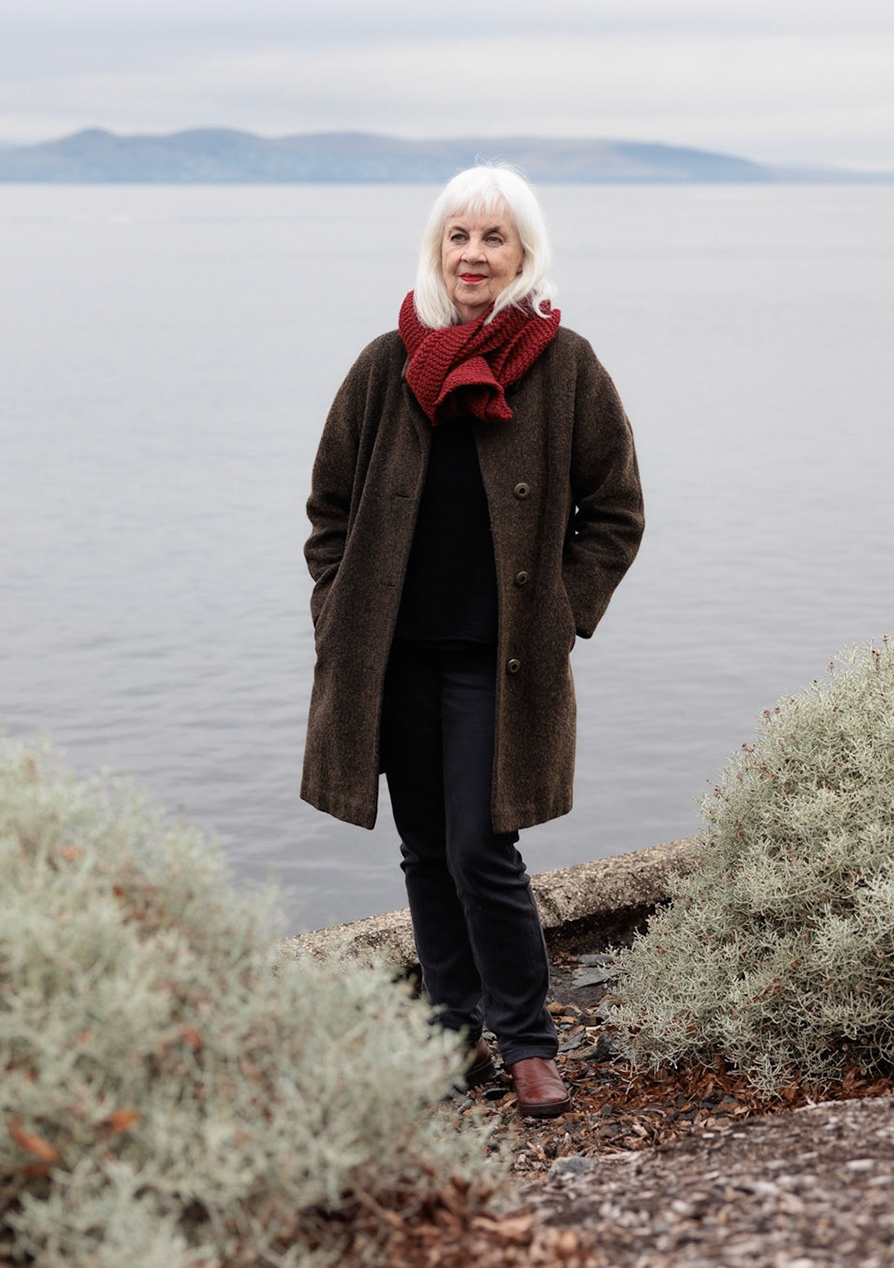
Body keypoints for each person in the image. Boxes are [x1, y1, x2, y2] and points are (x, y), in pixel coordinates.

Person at [301, 164, 644, 1116]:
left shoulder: (564, 366)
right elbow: (329, 508)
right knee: (421, 851)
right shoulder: (385, 365)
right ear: (436, 250)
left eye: (494, 238)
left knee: (481, 848)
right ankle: (452, 1035)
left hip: (500, 661)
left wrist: (562, 613)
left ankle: (529, 1041)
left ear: (524, 254)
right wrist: (336, 609)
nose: (474, 254)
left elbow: (615, 513)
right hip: (392, 658)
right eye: (459, 237)